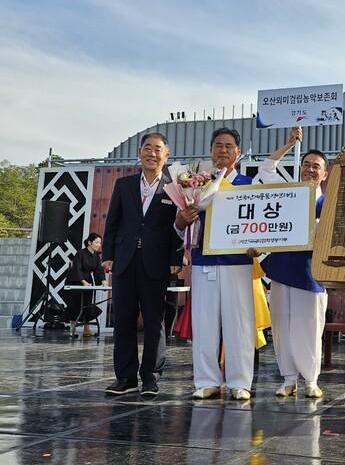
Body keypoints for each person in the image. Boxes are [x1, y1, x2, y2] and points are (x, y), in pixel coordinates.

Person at [176, 127, 255, 401]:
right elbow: (181, 225)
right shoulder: (197, 183)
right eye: (218, 146)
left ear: (238, 152)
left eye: (229, 146)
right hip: (204, 262)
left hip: (237, 263)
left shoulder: (249, 184)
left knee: (240, 323)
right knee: (205, 322)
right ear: (211, 151)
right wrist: (181, 220)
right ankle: (206, 380)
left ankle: (240, 381)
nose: (223, 150)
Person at [102, 132, 182, 397]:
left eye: (157, 149)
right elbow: (112, 222)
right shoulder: (123, 185)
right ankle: (125, 377)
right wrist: (108, 255)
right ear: (140, 152)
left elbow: (176, 229)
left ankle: (150, 376)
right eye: (147, 148)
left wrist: (175, 258)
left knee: (154, 321)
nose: (152, 153)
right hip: (125, 261)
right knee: (123, 319)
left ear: (166, 155)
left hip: (156, 263)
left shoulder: (174, 188)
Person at [252, 126, 329, 399]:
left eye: (316, 167)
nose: (309, 170)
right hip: (282, 269)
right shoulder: (287, 194)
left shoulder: (328, 204)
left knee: (309, 328)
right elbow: (265, 169)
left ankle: (311, 379)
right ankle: (288, 378)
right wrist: (289, 144)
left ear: (324, 174)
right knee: (282, 327)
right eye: (306, 165)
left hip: (312, 274)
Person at [65, 233, 107, 338]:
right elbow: (76, 268)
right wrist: (83, 281)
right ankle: (72, 330)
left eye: (100, 243)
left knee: (87, 304)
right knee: (75, 305)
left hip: (87, 281)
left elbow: (98, 270)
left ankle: (86, 329)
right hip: (75, 280)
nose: (98, 245)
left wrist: (103, 280)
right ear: (89, 242)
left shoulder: (96, 256)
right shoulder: (80, 253)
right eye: (96, 242)